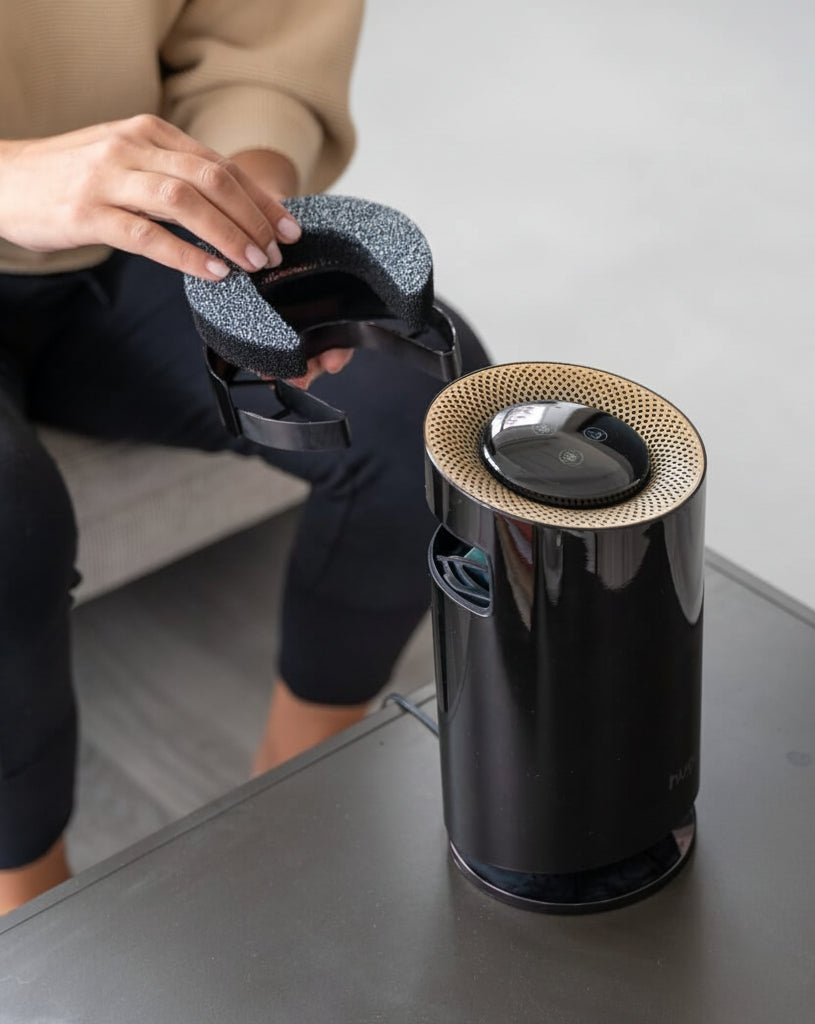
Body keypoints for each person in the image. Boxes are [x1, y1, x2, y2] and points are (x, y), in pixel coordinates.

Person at [0, 1, 487, 914]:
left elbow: (258, 48)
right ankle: (28, 914)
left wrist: (241, 216)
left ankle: (292, 795)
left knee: (424, 423)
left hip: (130, 224)